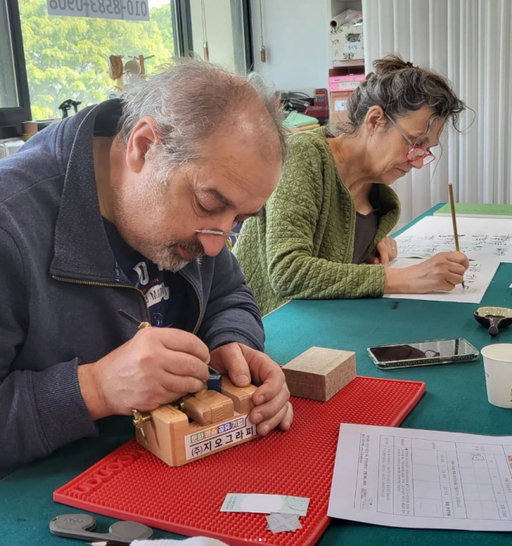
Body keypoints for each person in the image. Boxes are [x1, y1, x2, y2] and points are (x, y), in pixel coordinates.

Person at [0, 60, 293, 477]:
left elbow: (229, 293)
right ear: (143, 146)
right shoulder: (10, 226)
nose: (215, 246)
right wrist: (95, 389)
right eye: (209, 205)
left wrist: (231, 341)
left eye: (241, 219)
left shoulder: (204, 214)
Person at [234, 55, 470, 316]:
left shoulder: (378, 195)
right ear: (374, 120)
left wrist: (367, 246)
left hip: (328, 322)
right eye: (414, 142)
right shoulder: (305, 156)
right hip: (265, 328)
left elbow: (332, 257)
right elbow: (288, 272)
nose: (416, 163)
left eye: (426, 150)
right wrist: (405, 278)